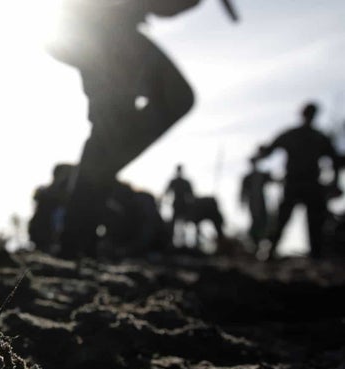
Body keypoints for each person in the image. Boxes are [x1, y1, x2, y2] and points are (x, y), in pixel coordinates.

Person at [50, 0, 238, 258]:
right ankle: (74, 239)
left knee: (124, 125)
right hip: (93, 31)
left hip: (106, 33)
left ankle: (80, 233)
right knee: (112, 128)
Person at [255, 102, 339, 258]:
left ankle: (315, 254)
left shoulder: (316, 137)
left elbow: (335, 161)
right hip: (295, 183)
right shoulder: (299, 135)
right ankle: (270, 251)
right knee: (283, 218)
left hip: (309, 184)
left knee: (314, 222)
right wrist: (261, 154)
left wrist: (335, 182)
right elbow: (269, 150)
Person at [239, 156, 275, 248]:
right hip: (253, 203)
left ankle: (261, 244)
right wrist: (242, 202)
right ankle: (255, 243)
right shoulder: (248, 178)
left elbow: (274, 180)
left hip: (262, 202)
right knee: (256, 221)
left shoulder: (262, 175)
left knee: (264, 222)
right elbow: (243, 192)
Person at [163, 164, 195, 246]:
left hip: (184, 205)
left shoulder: (184, 182)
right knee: (175, 225)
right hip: (177, 205)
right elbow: (167, 192)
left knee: (186, 224)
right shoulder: (176, 181)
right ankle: (172, 243)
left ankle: (185, 244)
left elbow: (191, 195)